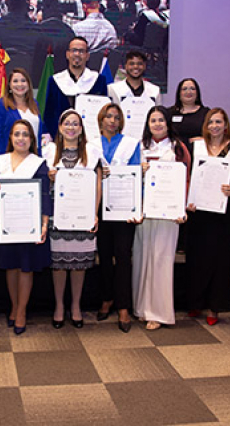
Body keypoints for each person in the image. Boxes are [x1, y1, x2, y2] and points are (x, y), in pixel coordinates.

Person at [185, 109, 230, 326]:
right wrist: (188, 199)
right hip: (199, 208)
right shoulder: (196, 146)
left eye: (218, 122)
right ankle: (195, 301)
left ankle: (215, 306)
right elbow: (187, 176)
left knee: (221, 258)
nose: (214, 125)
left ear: (225, 125)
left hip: (225, 207)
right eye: (210, 122)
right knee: (197, 255)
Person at [0, 120, 52, 335]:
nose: (21, 138)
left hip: (29, 224)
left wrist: (44, 224)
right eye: (17, 134)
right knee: (10, 266)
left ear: (32, 139)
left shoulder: (38, 163)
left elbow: (45, 196)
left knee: (25, 267)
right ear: (11, 138)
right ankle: (14, 306)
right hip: (6, 224)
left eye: (26, 134)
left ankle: (22, 310)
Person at [43, 110, 103, 328]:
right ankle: (59, 306)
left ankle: (76, 306)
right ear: (60, 127)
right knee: (59, 264)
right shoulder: (49, 153)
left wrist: (94, 214)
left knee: (79, 264)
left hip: (82, 216)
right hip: (58, 216)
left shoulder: (91, 152)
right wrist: (48, 177)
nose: (71, 127)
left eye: (75, 124)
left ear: (81, 128)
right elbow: (42, 186)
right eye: (67, 123)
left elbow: (97, 184)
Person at [133, 106, 190, 330]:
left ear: (168, 123)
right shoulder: (139, 147)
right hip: (144, 211)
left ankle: (158, 312)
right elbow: (127, 177)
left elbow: (186, 178)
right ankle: (142, 308)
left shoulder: (177, 147)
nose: (157, 124)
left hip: (168, 213)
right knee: (141, 257)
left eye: (161, 120)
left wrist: (182, 208)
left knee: (161, 259)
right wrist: (140, 170)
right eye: (152, 120)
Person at [95, 103, 141, 332]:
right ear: (101, 119)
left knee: (122, 256)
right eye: (108, 116)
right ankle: (106, 298)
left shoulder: (131, 144)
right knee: (103, 255)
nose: (112, 120)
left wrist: (136, 209)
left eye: (116, 117)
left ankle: (123, 306)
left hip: (123, 207)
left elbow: (136, 177)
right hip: (100, 206)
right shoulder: (91, 143)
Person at [43, 36, 109, 139]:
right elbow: (49, 114)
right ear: (67, 54)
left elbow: (103, 113)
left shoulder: (98, 80)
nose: (77, 54)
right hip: (60, 139)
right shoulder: (55, 81)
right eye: (74, 50)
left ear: (87, 56)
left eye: (81, 51)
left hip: (90, 139)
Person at [0, 68, 49, 156]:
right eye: (15, 81)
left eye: (23, 81)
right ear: (9, 85)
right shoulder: (0, 105)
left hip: (33, 157)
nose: (20, 84)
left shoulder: (34, 103)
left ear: (28, 84)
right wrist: (0, 162)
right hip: (10, 158)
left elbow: (38, 134)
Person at [107, 50, 162, 118]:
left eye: (139, 64)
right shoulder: (112, 89)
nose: (136, 67)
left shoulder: (154, 90)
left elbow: (158, 115)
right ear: (126, 66)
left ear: (144, 66)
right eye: (131, 64)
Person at [168, 78, 210, 151]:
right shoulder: (169, 113)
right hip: (173, 153)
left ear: (197, 93)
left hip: (198, 152)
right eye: (184, 89)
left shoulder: (206, 113)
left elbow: (215, 135)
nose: (188, 91)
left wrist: (205, 139)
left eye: (192, 89)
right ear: (179, 94)